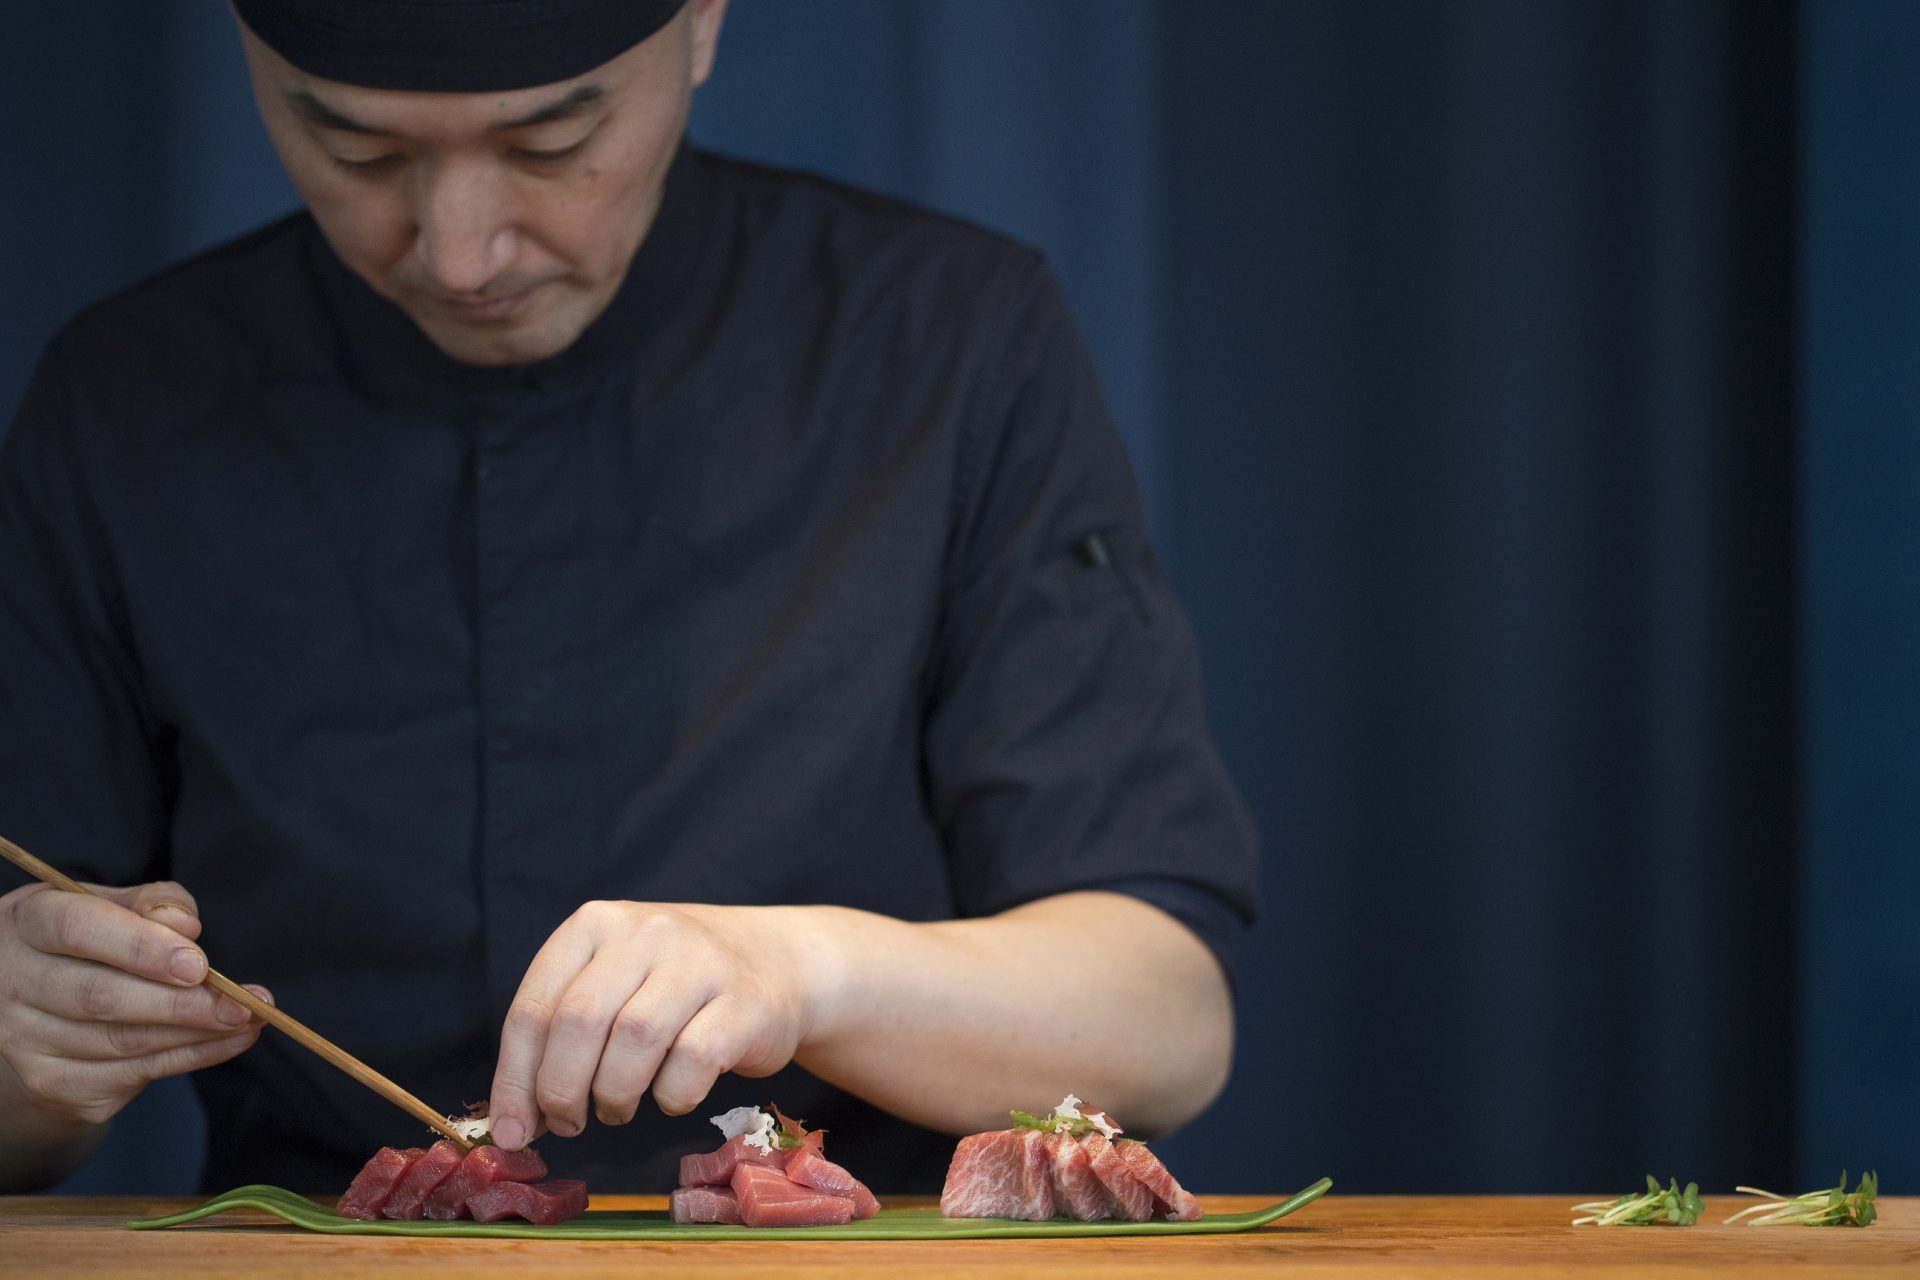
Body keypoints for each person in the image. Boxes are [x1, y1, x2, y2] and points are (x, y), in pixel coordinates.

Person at [0, 0, 1257, 1195]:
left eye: (552, 141)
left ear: (704, 22)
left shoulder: (950, 341)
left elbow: (1168, 1022)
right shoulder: (126, 401)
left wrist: (807, 969)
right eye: (355, 146)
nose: (457, 249)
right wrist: (36, 1058)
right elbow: (22, 1130)